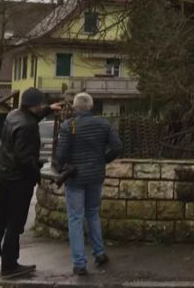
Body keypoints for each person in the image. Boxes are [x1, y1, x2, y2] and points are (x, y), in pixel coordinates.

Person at [0, 87, 62, 279]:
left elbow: (31, 118)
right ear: (35, 105)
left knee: (1, 215)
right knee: (15, 222)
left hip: (2, 175)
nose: (43, 106)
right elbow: (23, 158)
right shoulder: (28, 126)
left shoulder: (13, 115)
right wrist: (37, 169)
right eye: (42, 104)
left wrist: (50, 109)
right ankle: (10, 265)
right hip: (18, 179)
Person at [55, 92, 122, 276]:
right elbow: (117, 146)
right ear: (91, 107)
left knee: (75, 218)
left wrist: (59, 169)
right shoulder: (103, 124)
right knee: (92, 213)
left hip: (75, 177)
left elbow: (60, 154)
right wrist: (102, 160)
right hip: (95, 176)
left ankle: (79, 263)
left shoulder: (68, 126)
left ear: (75, 108)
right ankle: (99, 253)